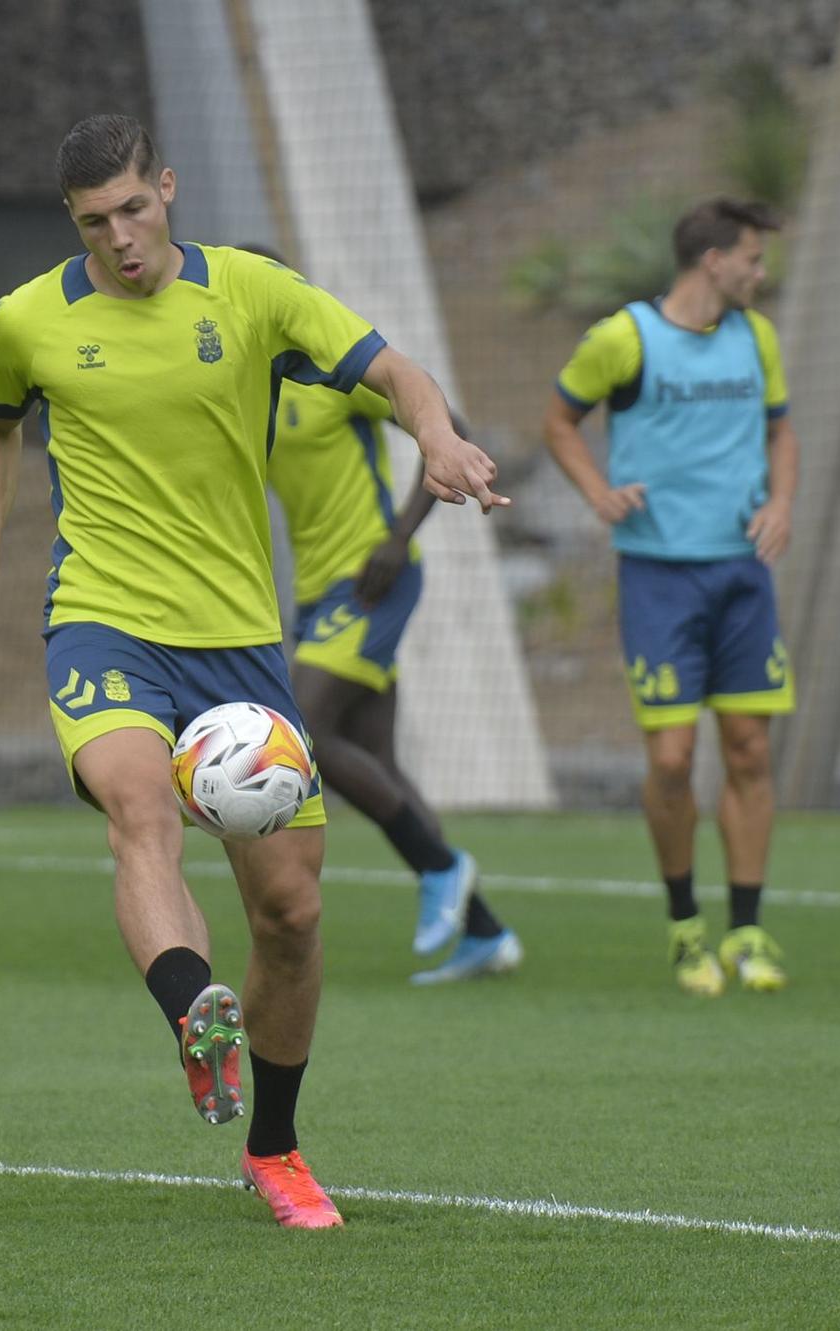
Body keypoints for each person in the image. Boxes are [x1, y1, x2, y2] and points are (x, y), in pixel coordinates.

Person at [0, 115, 506, 1230]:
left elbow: (393, 366)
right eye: (95, 222)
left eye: (134, 209)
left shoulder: (250, 292)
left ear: (166, 189)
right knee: (140, 809)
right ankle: (195, 1009)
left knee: (288, 909)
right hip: (102, 623)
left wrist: (432, 436)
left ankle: (272, 1146)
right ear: (70, 223)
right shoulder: (27, 319)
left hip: (237, 643)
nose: (121, 238)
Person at [543, 198, 797, 998]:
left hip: (741, 573)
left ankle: (748, 929)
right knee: (673, 757)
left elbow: (781, 430)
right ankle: (687, 927)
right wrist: (597, 491)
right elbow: (558, 421)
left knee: (750, 750)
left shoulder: (758, 337)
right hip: (658, 576)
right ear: (712, 260)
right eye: (752, 258)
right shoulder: (626, 338)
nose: (761, 272)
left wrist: (781, 501)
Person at [248, 245, 520, 985]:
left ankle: (443, 866)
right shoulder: (248, 387)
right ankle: (484, 931)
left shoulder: (335, 371)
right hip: (320, 595)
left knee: (302, 727)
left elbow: (445, 420)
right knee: (379, 761)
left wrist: (401, 536)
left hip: (373, 578)